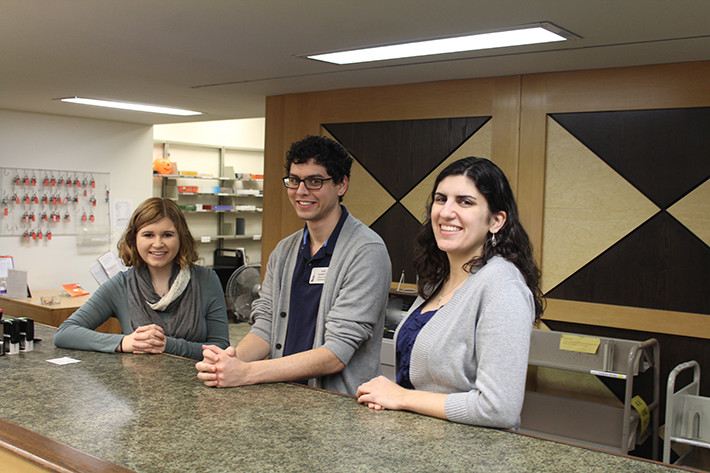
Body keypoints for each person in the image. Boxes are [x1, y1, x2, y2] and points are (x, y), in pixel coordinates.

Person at [356, 157, 544, 429]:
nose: (446, 212)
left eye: (465, 202)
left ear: (496, 220)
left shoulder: (503, 286)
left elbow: (499, 408)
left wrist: (403, 397)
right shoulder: (438, 279)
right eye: (441, 199)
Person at [196, 135, 391, 395]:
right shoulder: (285, 251)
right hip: (285, 400)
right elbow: (266, 326)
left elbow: (336, 353)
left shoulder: (366, 252)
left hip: (338, 408)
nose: (301, 190)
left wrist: (247, 373)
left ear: (341, 185)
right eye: (295, 180)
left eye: (315, 181)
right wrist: (230, 361)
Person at [54, 197, 230, 360]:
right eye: (148, 235)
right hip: (138, 389)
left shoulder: (206, 280)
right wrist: (125, 343)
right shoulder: (121, 286)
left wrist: (168, 345)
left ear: (181, 238)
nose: (158, 243)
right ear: (134, 239)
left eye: (167, 235)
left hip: (197, 387)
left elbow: (220, 348)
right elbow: (66, 333)